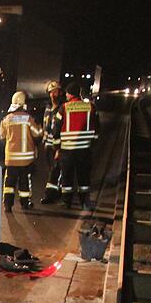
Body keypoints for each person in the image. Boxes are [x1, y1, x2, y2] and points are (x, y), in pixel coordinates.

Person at [56, 81, 99, 209]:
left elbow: (56, 129)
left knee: (67, 177)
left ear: (71, 94)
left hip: (67, 150)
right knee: (83, 177)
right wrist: (93, 142)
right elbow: (97, 127)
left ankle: (66, 202)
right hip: (84, 149)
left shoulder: (64, 108)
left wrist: (56, 147)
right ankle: (84, 202)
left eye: (67, 93)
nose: (66, 95)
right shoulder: (90, 107)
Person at [0, 90, 43, 213]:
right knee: (24, 183)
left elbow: (2, 138)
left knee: (9, 183)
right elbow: (37, 134)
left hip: (11, 159)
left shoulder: (6, 119)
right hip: (25, 160)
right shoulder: (28, 119)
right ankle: (25, 204)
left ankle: (7, 205)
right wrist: (40, 126)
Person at [40, 80, 63, 203]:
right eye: (50, 92)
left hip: (57, 144)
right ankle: (56, 191)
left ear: (60, 92)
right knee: (51, 170)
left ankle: (50, 195)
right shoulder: (48, 107)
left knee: (55, 170)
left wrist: (58, 148)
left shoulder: (62, 108)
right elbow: (46, 125)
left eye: (55, 92)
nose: (53, 95)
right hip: (48, 144)